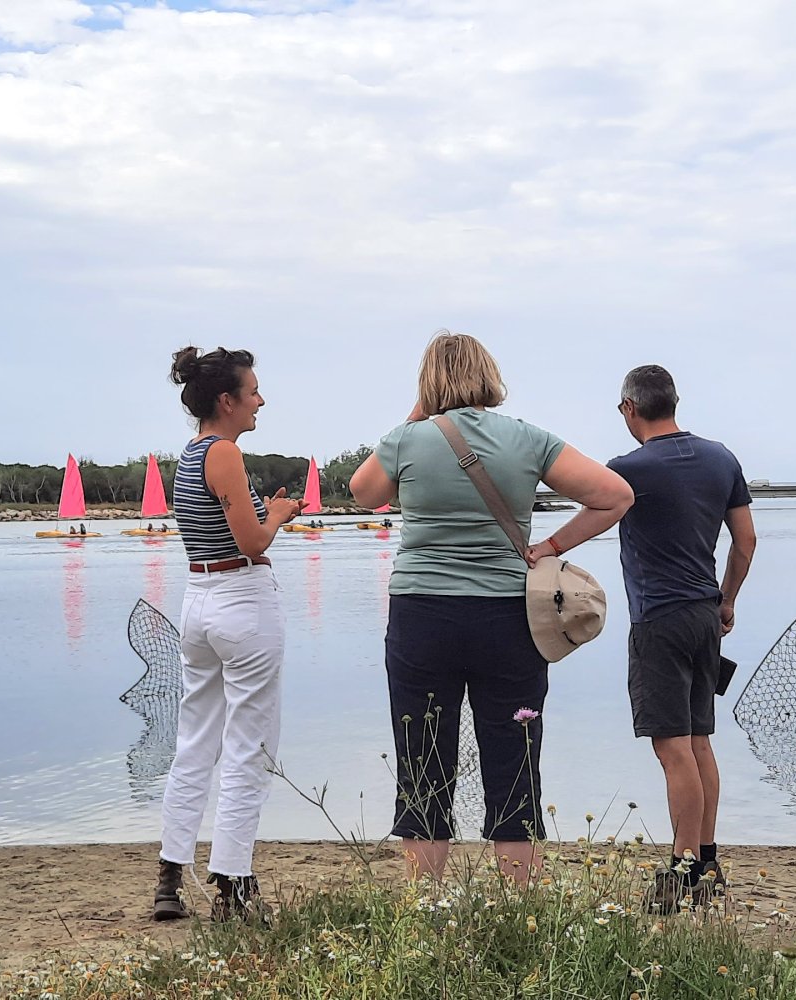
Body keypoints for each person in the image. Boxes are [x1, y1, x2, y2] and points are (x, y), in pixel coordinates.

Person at [350, 331, 633, 883]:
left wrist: (420, 413)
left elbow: (363, 493)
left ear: (428, 383)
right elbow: (616, 495)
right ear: (490, 375)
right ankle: (517, 912)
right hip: (508, 617)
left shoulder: (408, 440)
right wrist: (550, 547)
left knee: (423, 761)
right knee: (515, 761)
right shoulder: (528, 439)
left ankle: (426, 911)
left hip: (422, 615)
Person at [153, 345, 304, 923]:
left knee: (195, 741)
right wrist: (280, 516)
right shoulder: (226, 456)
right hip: (243, 600)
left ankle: (170, 877)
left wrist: (263, 516)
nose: (260, 400)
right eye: (253, 391)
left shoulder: (189, 455)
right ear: (227, 399)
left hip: (197, 601)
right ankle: (233, 884)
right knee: (250, 746)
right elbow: (253, 542)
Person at [608, 365, 755, 911]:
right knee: (698, 743)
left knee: (673, 751)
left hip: (659, 621)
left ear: (629, 408)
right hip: (703, 616)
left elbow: (596, 513)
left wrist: (548, 548)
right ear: (674, 401)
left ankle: (683, 869)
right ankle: (708, 859)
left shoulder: (628, 470)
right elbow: (745, 540)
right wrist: (727, 598)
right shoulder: (721, 457)